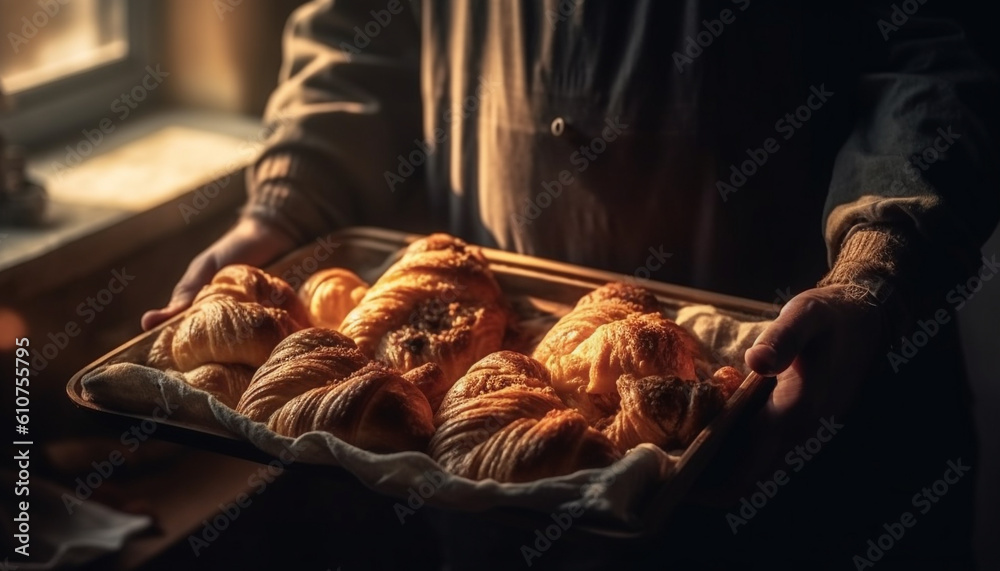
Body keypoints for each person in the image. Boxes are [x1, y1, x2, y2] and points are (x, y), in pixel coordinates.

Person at [143, 1, 999, 568]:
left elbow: (945, 40)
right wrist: (286, 207)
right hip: (489, 415)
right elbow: (359, 25)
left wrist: (876, 264)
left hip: (811, 402)